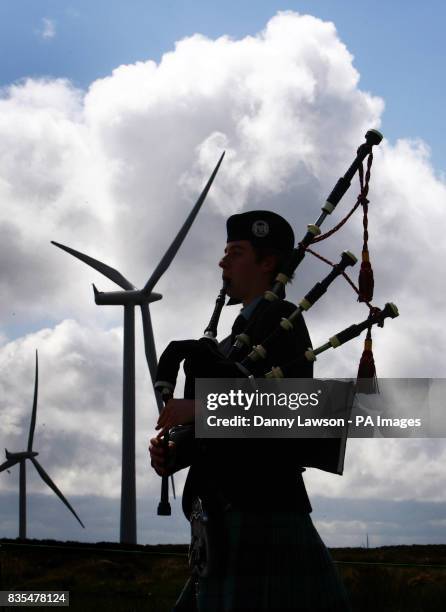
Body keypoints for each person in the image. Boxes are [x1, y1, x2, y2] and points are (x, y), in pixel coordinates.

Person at [149, 211, 351, 611]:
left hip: (264, 507)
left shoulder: (283, 320)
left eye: (236, 252)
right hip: (221, 520)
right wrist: (176, 453)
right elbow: (217, 435)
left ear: (267, 262)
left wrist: (201, 407)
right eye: (224, 252)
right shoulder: (225, 345)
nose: (223, 262)